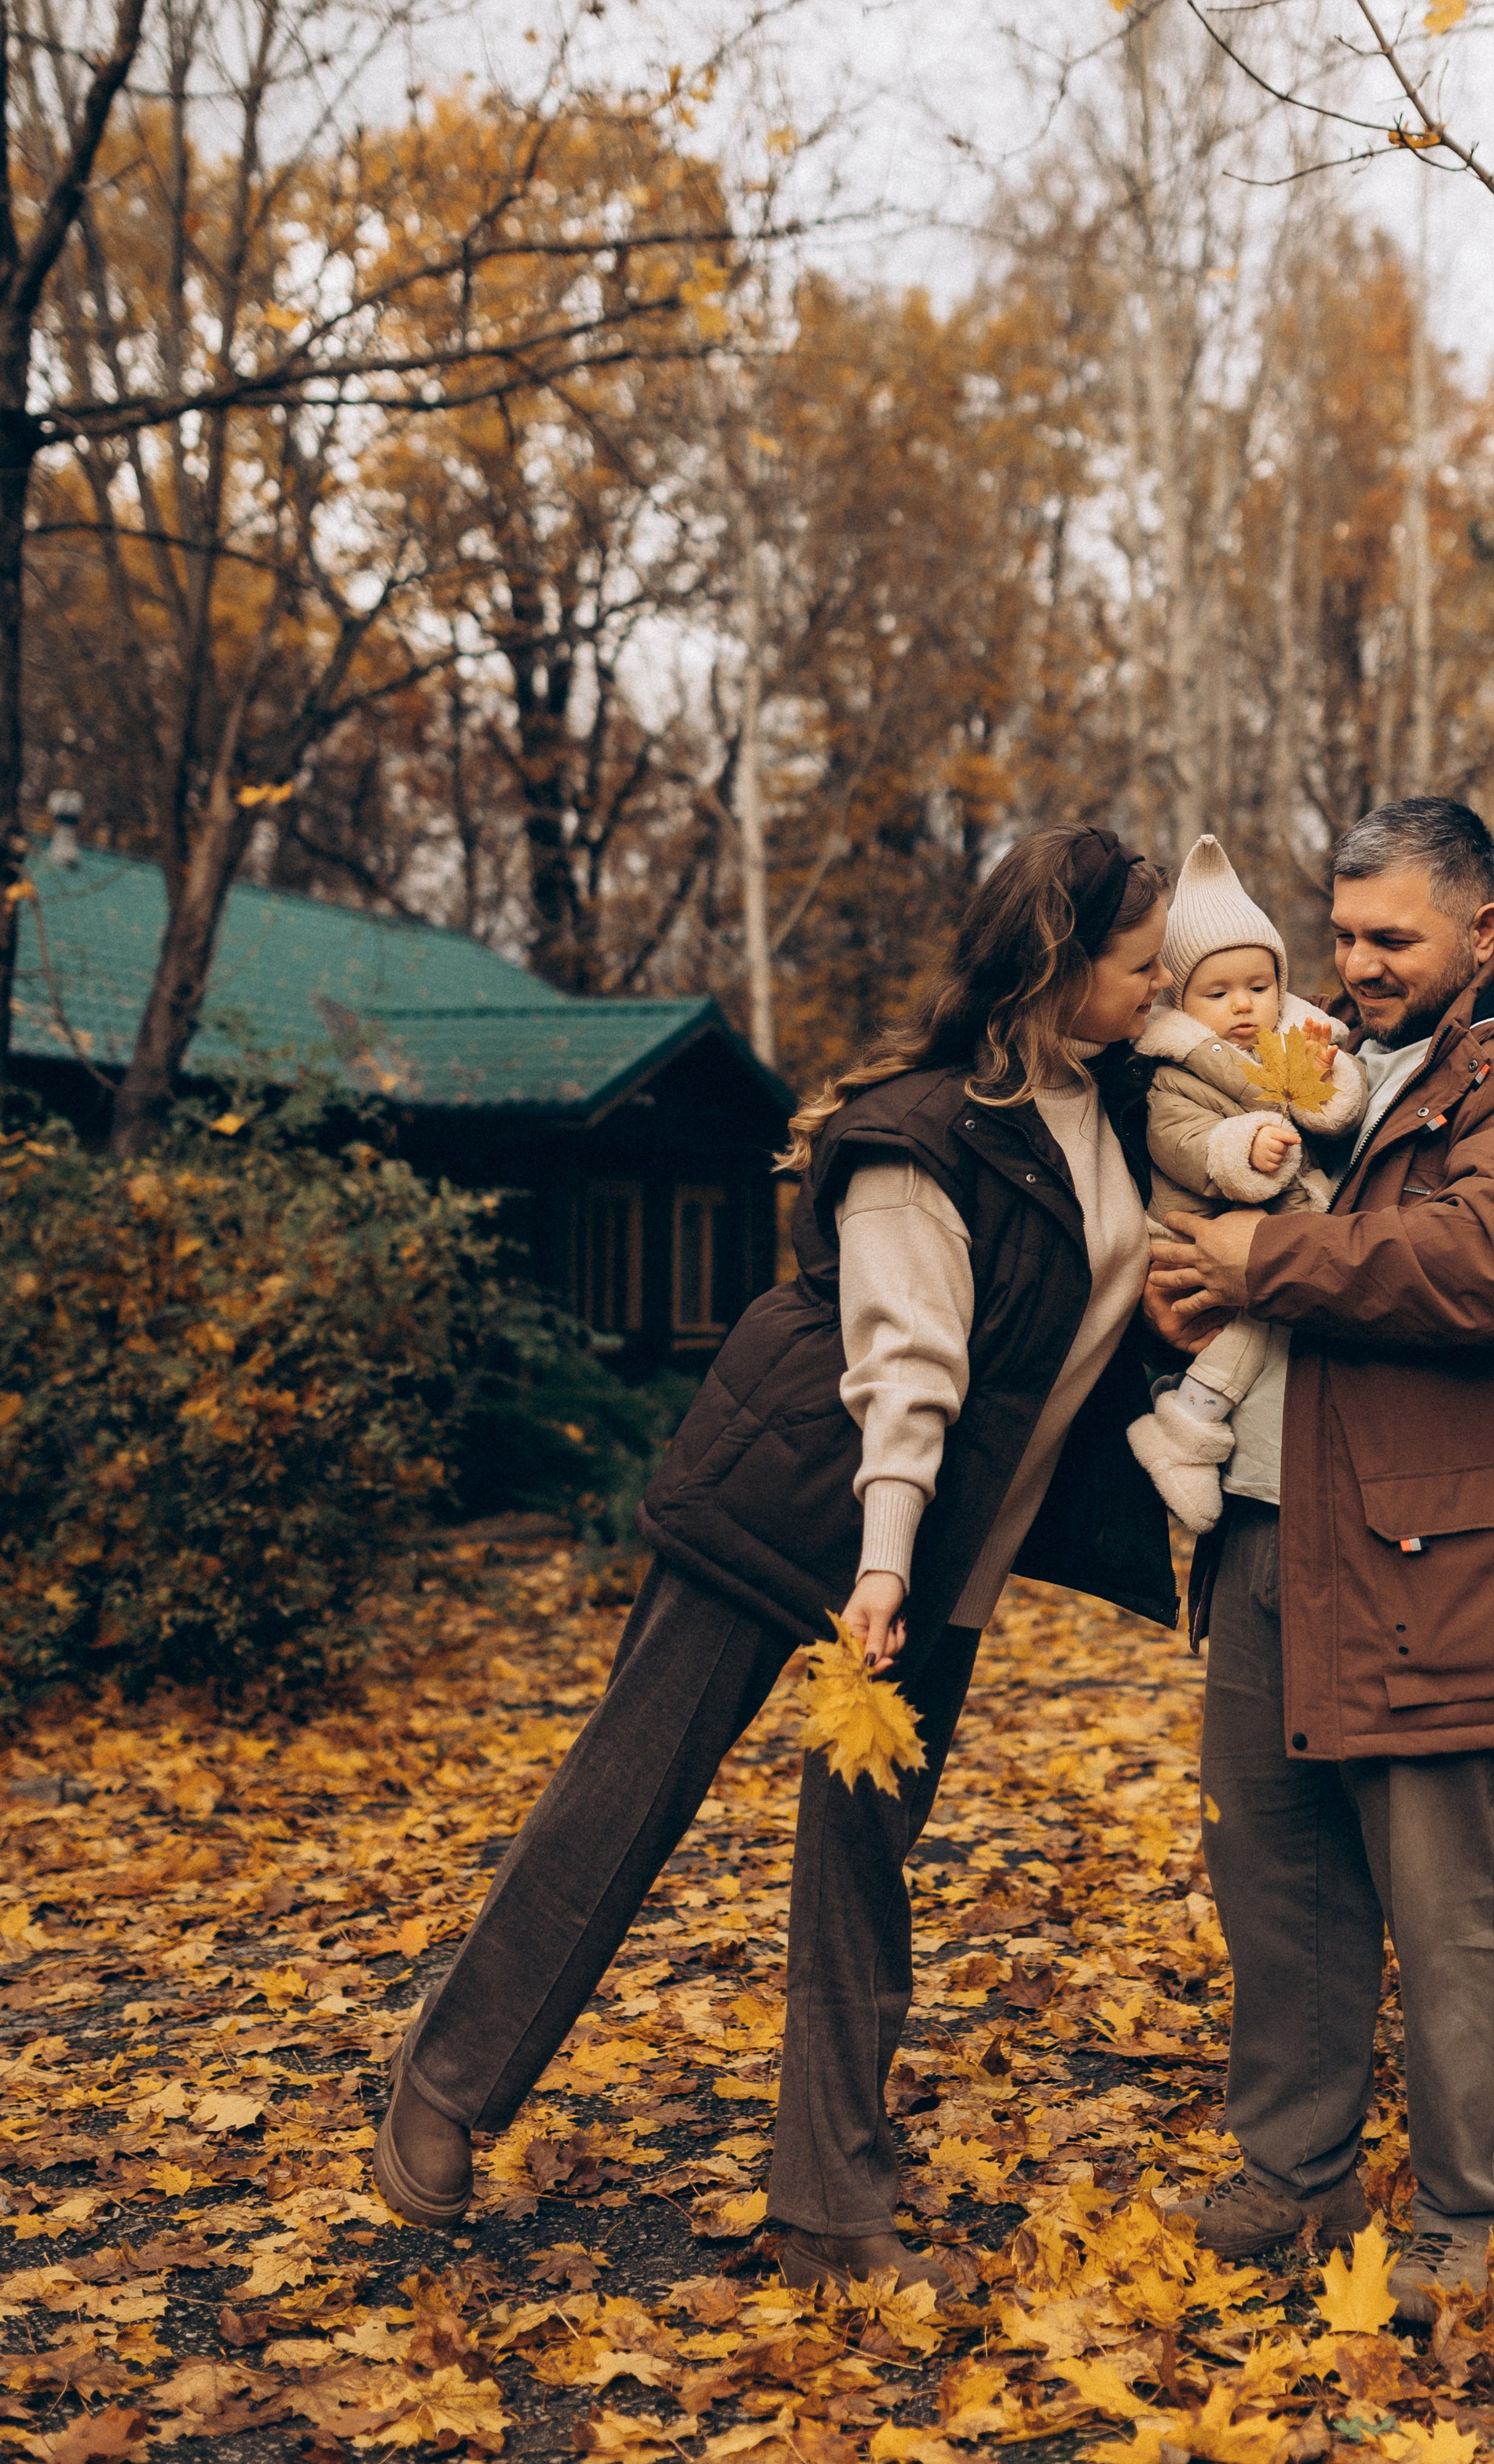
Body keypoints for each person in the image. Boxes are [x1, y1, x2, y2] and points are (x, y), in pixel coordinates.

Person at [371, 827, 1178, 2290]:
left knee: (865, 1864)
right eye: (1140, 964)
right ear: (1064, 970)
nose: (1163, 984)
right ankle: (446, 2079)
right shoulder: (919, 1133)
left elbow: (1227, 1044)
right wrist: (880, 1564)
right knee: (626, 1795)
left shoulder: (1109, 1100)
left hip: (935, 1560)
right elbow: (908, 1369)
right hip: (808, 1501)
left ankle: (830, 2210)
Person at [1148, 797, 1494, 2316]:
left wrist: (1259, 1258)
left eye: (1391, 938)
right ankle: (1291, 2170)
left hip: (1454, 1554)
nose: (1354, 962)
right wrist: (1196, 1293)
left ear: (1482, 934)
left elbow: (1488, 1257)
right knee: (1275, 1866)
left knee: (1447, 1899)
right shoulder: (1342, 1067)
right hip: (1279, 1525)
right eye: (1344, 932)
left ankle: (1466, 2219)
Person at [1126, 837, 1366, 1533]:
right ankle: (1186, 1426)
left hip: (1273, 1229)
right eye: (1218, 992)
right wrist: (1243, 1147)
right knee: (1255, 1324)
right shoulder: (1174, 1067)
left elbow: (1334, 1107)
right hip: (1190, 1222)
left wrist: (1324, 1077)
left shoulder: (1297, 1039)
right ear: (1179, 995)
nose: (1242, 1007)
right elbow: (1178, 1142)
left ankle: (1187, 1425)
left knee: (1275, 1316)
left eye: (1259, 989)